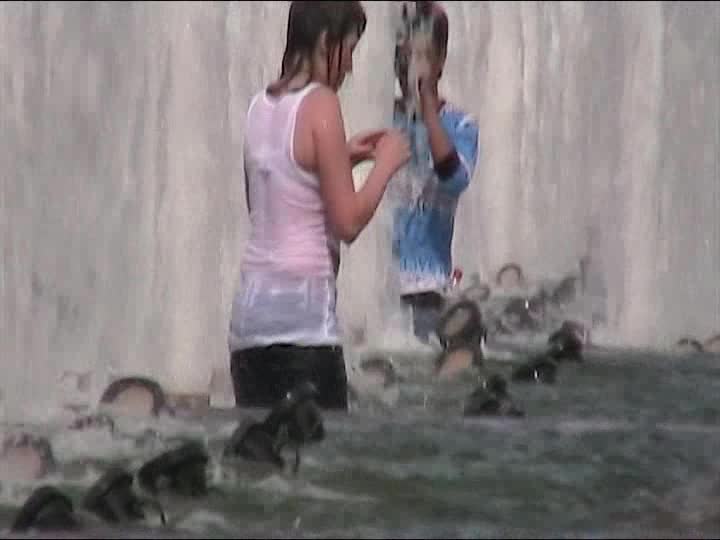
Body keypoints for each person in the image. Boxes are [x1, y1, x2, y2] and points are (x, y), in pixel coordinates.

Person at [227, 1, 411, 411]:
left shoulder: (259, 106)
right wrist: (384, 165)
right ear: (326, 41)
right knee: (318, 449)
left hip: (248, 331)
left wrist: (340, 158)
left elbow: (270, 202)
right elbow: (347, 222)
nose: (350, 66)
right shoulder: (321, 103)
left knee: (263, 447)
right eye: (349, 50)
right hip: (304, 326)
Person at [390, 1, 480, 344]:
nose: (410, 68)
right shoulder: (379, 118)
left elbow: (454, 177)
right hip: (382, 289)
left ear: (440, 60)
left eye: (420, 57)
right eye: (403, 57)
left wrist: (427, 108)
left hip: (429, 288)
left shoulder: (459, 125)